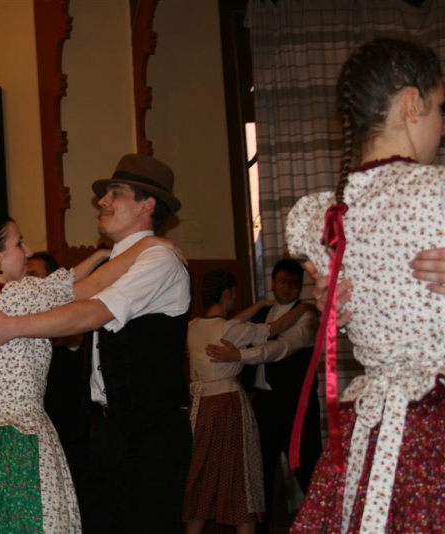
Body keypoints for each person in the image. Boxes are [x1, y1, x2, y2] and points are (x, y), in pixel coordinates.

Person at [0, 213, 177, 533]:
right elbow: (90, 287)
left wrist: (101, 255)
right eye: (19, 243)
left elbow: (61, 283)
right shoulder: (14, 297)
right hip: (17, 439)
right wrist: (145, 244)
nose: (27, 250)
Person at [0, 154, 191, 533]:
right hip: (109, 429)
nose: (102, 201)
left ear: (147, 205)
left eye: (115, 193)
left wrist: (8, 328)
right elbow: (70, 300)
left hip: (152, 430)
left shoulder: (160, 259)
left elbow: (93, 312)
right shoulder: (117, 261)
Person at [285, 37, 445, 533]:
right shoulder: (438, 192)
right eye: (441, 107)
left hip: (370, 432)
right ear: (413, 103)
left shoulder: (325, 214)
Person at [184, 269, 312, 534]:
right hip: (228, 406)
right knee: (243, 481)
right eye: (233, 293)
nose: (235, 299)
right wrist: (304, 307)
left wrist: (259, 305)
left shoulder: (194, 326)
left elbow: (228, 324)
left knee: (203, 478)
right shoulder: (230, 329)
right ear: (227, 293)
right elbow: (275, 329)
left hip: (200, 408)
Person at [29, 251, 92, 483]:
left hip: (67, 431)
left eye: (33, 276)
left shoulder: (69, 316)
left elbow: (71, 338)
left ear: (53, 281)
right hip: (32, 430)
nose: (27, 283)